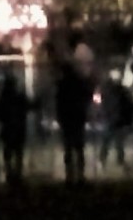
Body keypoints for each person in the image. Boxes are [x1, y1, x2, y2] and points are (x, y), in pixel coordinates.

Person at [54, 44, 93, 185]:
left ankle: (69, 176)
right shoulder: (78, 82)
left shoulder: (62, 84)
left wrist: (59, 117)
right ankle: (80, 176)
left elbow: (58, 101)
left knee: (68, 148)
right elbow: (87, 95)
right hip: (77, 117)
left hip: (67, 118)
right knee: (79, 148)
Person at [0, 63, 33, 190]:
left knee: (9, 152)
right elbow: (30, 106)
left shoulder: (3, 98)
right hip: (19, 129)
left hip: (8, 130)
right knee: (18, 152)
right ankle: (17, 173)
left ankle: (9, 172)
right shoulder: (19, 97)